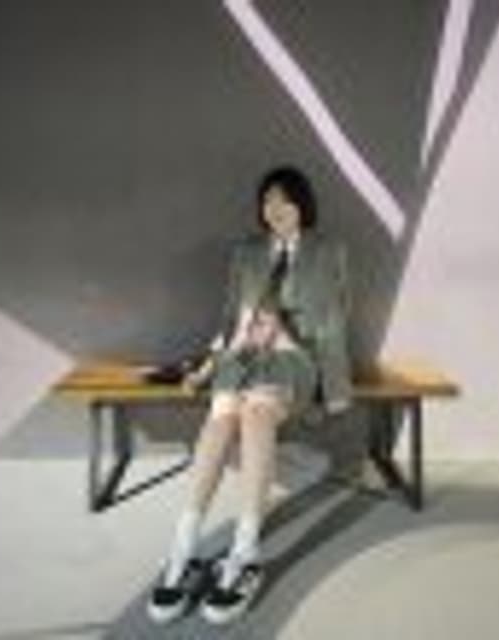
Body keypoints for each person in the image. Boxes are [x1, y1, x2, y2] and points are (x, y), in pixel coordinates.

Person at [147, 165, 352, 625]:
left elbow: (335, 320)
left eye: (284, 200)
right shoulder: (247, 252)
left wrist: (334, 388)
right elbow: (229, 319)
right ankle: (182, 549)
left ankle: (243, 553)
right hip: (241, 357)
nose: (275, 209)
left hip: (294, 357)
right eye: (267, 201)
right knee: (221, 420)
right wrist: (207, 364)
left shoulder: (329, 252)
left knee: (256, 415)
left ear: (302, 205)